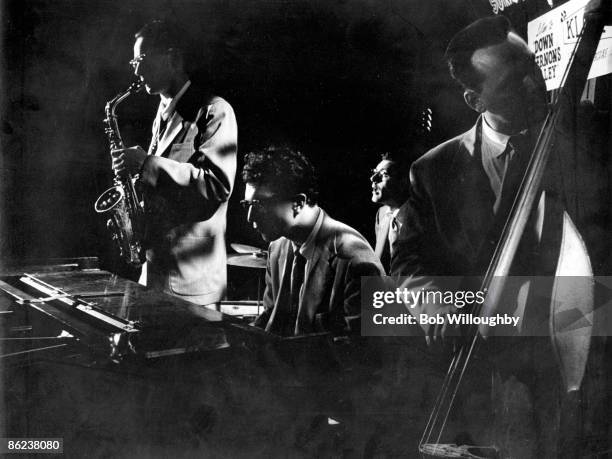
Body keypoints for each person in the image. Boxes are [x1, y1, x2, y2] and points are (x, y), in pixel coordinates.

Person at [391, 10, 609, 457]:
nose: (533, 86)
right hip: (492, 360)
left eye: (531, 69)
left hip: (586, 342)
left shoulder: (590, 135)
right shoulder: (433, 170)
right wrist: (433, 302)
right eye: (512, 83)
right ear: (475, 100)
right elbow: (409, 261)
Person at [111, 20, 237, 306]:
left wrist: (146, 164)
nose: (136, 69)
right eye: (134, 61)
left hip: (192, 281)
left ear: (172, 58)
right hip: (156, 273)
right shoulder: (163, 112)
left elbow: (217, 185)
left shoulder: (215, 111)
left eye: (141, 59)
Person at [241, 147, 384, 336]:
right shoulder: (277, 248)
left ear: (299, 203)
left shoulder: (356, 260)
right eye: (247, 205)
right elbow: (271, 317)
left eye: (259, 205)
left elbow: (370, 353)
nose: (250, 218)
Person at [370, 152, 409, 273]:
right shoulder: (381, 215)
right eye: (374, 173)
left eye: (383, 174)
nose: (373, 179)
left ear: (403, 182)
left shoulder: (420, 216)